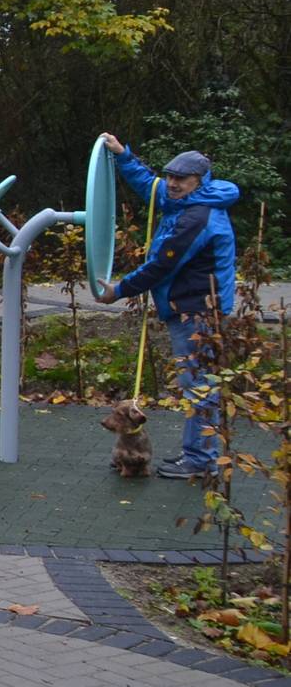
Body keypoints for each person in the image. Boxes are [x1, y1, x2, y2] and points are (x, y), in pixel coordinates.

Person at [93, 133, 241, 479]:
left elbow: (163, 264)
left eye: (180, 179)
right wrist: (123, 156)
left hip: (200, 313)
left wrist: (120, 290)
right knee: (197, 384)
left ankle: (202, 463)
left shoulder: (199, 218)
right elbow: (153, 187)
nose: (172, 184)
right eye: (171, 176)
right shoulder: (186, 200)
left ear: (199, 181)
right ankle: (197, 456)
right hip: (188, 308)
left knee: (200, 386)